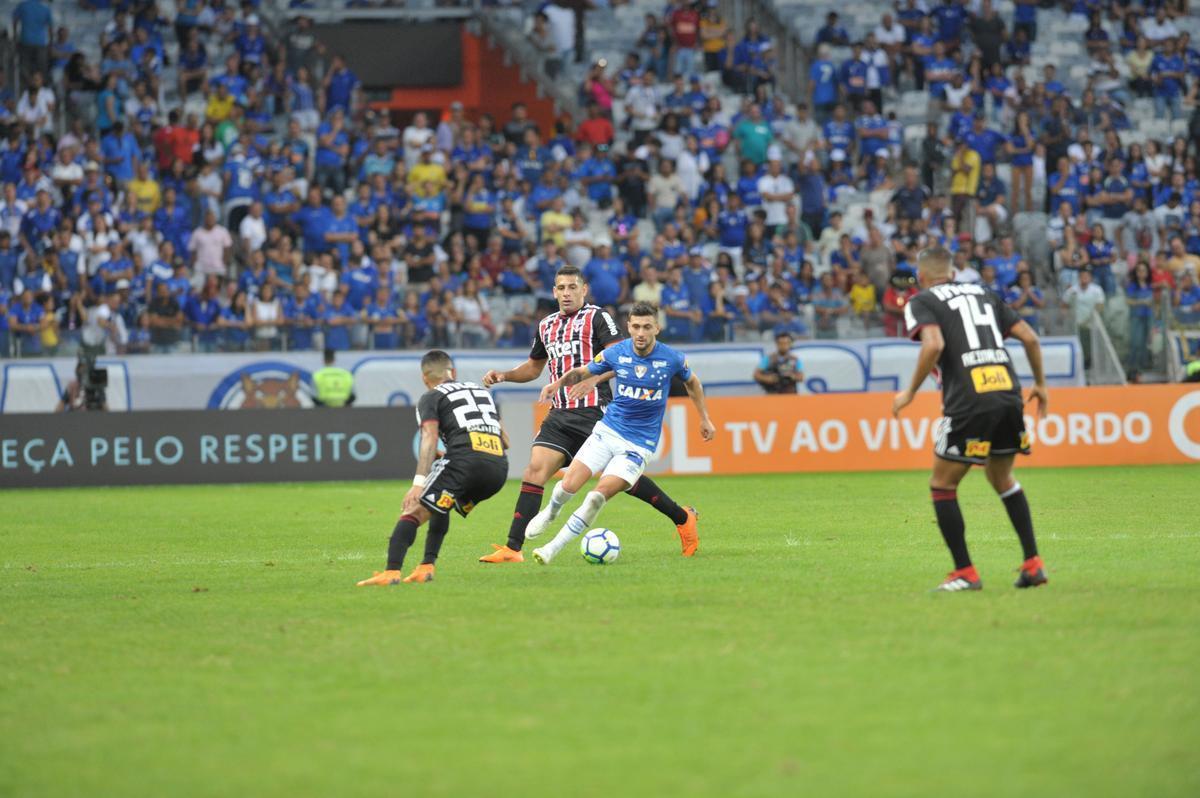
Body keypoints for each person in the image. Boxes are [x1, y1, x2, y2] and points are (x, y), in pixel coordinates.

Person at [478, 265, 699, 563]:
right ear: (554, 291)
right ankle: (513, 548)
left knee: (625, 481)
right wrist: (503, 375)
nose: (566, 293)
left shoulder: (597, 317)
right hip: (560, 413)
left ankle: (681, 517)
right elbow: (533, 367)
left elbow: (621, 356)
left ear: (584, 290)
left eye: (572, 287)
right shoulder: (546, 326)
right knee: (534, 471)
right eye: (561, 288)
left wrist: (592, 380)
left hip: (597, 411)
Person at [893, 246, 1049, 592]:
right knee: (1002, 478)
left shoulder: (923, 300)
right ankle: (1033, 563)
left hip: (969, 398)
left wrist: (910, 393)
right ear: (952, 272)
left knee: (942, 485)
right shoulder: (986, 294)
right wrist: (1040, 383)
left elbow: (932, 345)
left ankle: (965, 572)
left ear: (922, 277)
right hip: (1007, 392)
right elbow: (1030, 338)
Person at [523, 302, 716, 564]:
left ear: (657, 328)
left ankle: (551, 549)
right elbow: (583, 371)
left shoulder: (672, 358)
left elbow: (692, 382)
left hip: (638, 445)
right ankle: (551, 512)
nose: (641, 333)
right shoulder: (617, 353)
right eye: (635, 326)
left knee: (595, 497)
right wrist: (557, 384)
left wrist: (704, 418)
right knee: (567, 486)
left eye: (647, 327)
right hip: (607, 431)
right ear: (628, 327)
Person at [357, 350, 509, 586]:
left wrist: (418, 484)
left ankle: (391, 572)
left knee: (414, 510)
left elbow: (429, 437)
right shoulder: (481, 392)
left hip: (464, 463)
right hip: (497, 470)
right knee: (441, 504)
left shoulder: (430, 397)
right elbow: (505, 441)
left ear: (424, 377)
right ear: (453, 372)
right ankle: (426, 567)